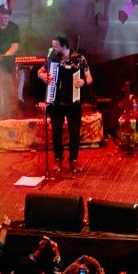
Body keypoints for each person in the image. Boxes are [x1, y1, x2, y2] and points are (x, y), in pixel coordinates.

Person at [38, 36, 92, 175]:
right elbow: (40, 71)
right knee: (56, 132)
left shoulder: (79, 59)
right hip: (56, 102)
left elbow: (89, 78)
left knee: (74, 132)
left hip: (74, 102)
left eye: (56, 46)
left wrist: (83, 82)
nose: (53, 49)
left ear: (64, 46)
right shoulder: (52, 59)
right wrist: (42, 76)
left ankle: (73, 159)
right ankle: (58, 159)